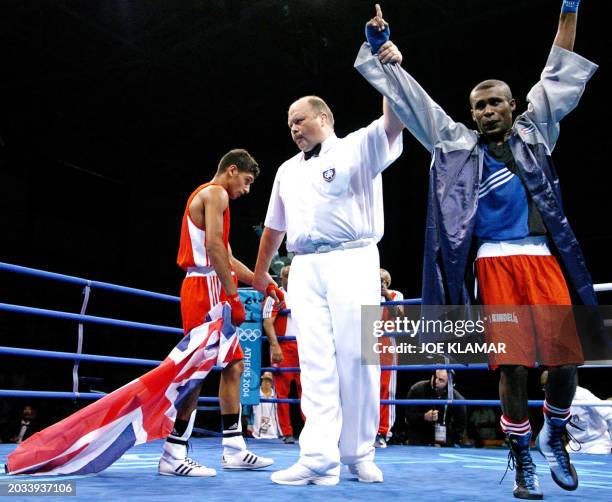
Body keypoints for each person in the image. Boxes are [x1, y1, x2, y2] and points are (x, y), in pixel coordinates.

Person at [355, 1, 598, 498]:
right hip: (493, 265)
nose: (487, 111)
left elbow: (558, 69)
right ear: (472, 113)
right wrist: (381, 49)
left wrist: (569, 9)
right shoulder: (455, 145)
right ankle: (522, 459)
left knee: (566, 361)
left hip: (542, 260)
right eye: (479, 106)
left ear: (513, 106)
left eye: (496, 103)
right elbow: (416, 102)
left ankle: (555, 432)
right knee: (510, 366)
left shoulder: (537, 133)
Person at [252, 20, 405, 484]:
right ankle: (319, 457)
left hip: (354, 259)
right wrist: (260, 278)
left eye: (300, 120)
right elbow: (273, 229)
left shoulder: (358, 146)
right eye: (289, 124)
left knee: (359, 358)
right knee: (315, 360)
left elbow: (394, 120)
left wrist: (388, 69)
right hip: (304, 267)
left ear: (325, 118)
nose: (294, 128)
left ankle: (359, 455)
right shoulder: (284, 170)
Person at [158, 148, 278, 477]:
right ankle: (173, 452)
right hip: (203, 289)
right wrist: (232, 295)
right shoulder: (215, 194)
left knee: (234, 365)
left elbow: (226, 256)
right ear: (232, 170)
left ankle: (234, 448)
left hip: (210, 287)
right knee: (197, 370)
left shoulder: (214, 201)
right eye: (247, 181)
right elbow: (212, 249)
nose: (247, 189)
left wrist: (261, 284)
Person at [262, 265, 302, 444]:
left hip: (304, 346)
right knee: (282, 392)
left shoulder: (306, 295)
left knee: (308, 391)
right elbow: (268, 322)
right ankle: (286, 432)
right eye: (288, 277)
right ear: (282, 279)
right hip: (283, 346)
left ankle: (311, 431)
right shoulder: (276, 295)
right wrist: (275, 346)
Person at [541, 371, 612, 454]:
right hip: (575, 445)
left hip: (597, 443)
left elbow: (610, 415)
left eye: (547, 386)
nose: (546, 390)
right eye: (544, 387)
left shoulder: (582, 395)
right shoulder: (550, 401)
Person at [375, 268, 404, 448]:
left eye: (383, 281)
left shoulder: (396, 294)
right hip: (368, 339)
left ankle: (384, 431)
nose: (380, 283)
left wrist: (386, 295)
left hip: (387, 342)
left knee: (386, 388)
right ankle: (366, 430)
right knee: (366, 388)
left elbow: (398, 314)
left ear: (388, 282)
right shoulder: (364, 293)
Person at [404, 370, 467, 447]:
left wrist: (449, 441)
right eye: (435, 377)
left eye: (441, 380)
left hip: (443, 437)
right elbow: (408, 417)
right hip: (419, 434)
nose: (436, 381)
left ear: (449, 384)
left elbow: (460, 426)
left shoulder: (457, 399)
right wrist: (424, 417)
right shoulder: (417, 389)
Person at [246, 372, 282, 440]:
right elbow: (247, 411)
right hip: (256, 434)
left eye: (269, 380)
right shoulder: (255, 393)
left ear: (272, 382)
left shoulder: (276, 395)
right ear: (262, 380)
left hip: (274, 434)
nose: (267, 382)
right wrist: (249, 425)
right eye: (265, 380)